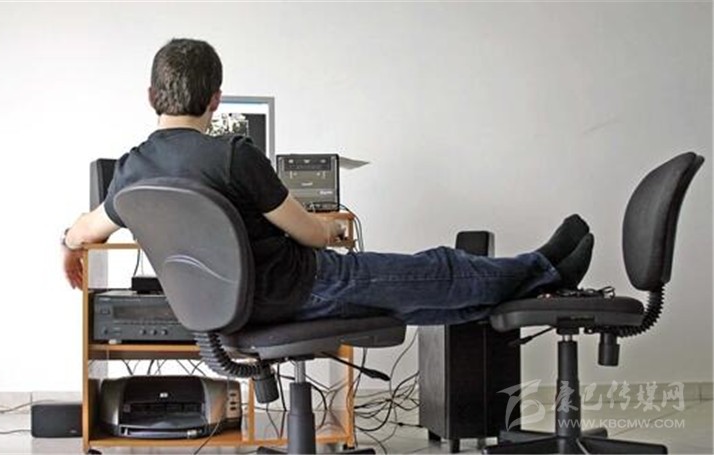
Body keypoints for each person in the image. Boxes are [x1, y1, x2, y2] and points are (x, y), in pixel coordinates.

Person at [61, 38, 594, 326]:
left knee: (416, 302)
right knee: (437, 268)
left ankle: (536, 283)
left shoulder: (131, 171)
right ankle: (543, 268)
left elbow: (85, 232)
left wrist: (67, 246)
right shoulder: (232, 155)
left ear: (151, 97)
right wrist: (335, 232)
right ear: (216, 99)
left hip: (227, 308)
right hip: (302, 286)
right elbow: (311, 234)